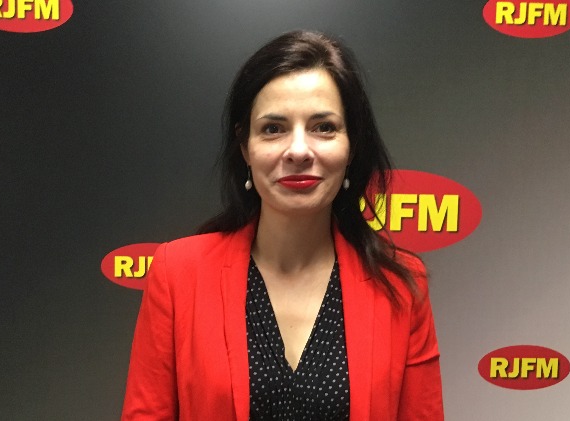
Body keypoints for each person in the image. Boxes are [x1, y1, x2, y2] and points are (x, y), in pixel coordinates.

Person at [121, 30, 443, 420]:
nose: (298, 151)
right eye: (273, 129)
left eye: (323, 127)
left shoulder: (401, 284)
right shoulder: (177, 274)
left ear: (352, 145)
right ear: (245, 147)